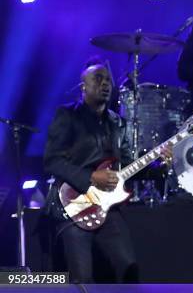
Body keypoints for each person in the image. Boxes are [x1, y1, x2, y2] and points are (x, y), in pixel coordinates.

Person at [44, 63, 169, 283]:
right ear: (83, 87)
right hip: (73, 204)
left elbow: (129, 167)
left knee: (129, 270)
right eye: (98, 79)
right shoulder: (67, 116)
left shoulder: (117, 122)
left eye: (108, 80)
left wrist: (160, 166)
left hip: (106, 207)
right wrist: (91, 177)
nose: (105, 84)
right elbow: (52, 161)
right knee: (82, 279)